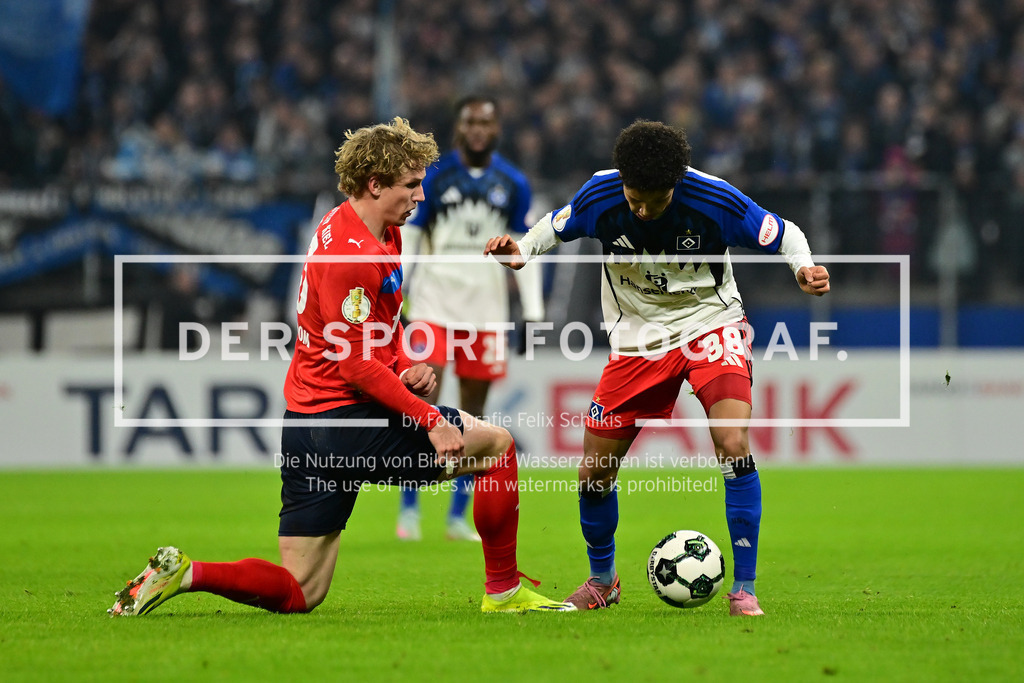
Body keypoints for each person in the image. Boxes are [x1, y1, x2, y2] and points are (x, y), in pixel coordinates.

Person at [109, 117, 574, 616]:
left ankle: (186, 572)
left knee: (301, 591)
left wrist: (404, 360)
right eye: (411, 185)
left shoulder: (362, 226)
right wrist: (431, 418)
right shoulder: (352, 257)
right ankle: (503, 594)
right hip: (347, 420)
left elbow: (377, 322)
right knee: (498, 447)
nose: (421, 195)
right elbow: (354, 366)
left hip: (307, 424)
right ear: (375, 184)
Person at [484, 120, 830, 616]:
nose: (641, 208)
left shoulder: (715, 201)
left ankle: (745, 589)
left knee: (732, 443)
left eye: (654, 199)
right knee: (593, 474)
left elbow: (785, 233)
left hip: (711, 323)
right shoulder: (601, 195)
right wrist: (522, 251)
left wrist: (803, 268)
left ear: (676, 183)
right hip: (638, 340)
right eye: (633, 197)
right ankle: (603, 581)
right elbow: (555, 225)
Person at [397, 94, 544, 542]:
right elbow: (412, 236)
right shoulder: (435, 177)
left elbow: (525, 247)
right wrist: (396, 292)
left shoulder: (514, 183)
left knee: (474, 415)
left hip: (486, 313)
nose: (478, 129)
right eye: (470, 122)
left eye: (486, 121)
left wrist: (533, 311)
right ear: (458, 129)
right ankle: (409, 510)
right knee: (423, 406)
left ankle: (458, 516)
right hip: (434, 305)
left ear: (497, 129)